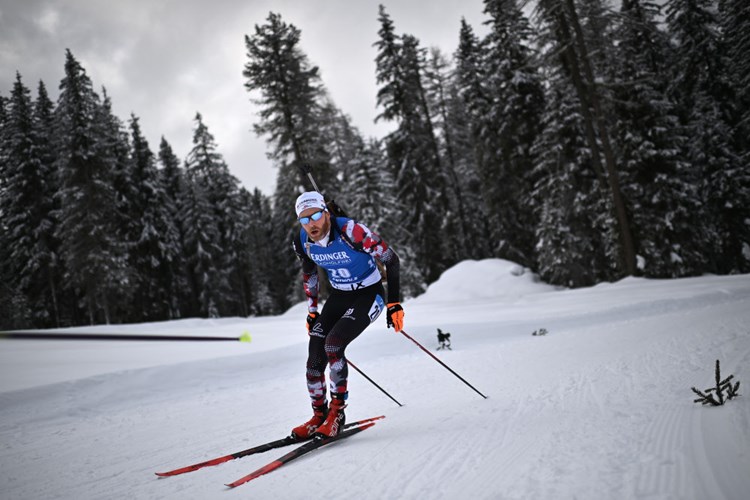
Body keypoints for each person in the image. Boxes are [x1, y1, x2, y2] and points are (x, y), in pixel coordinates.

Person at [290, 191, 404, 439]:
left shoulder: (352, 232)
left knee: (334, 344)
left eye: (317, 215)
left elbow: (391, 260)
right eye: (304, 219)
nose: (311, 224)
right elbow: (309, 274)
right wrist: (312, 312)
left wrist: (394, 304)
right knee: (314, 357)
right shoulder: (302, 240)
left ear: (326, 213)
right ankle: (318, 415)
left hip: (369, 294)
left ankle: (337, 414)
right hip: (339, 296)